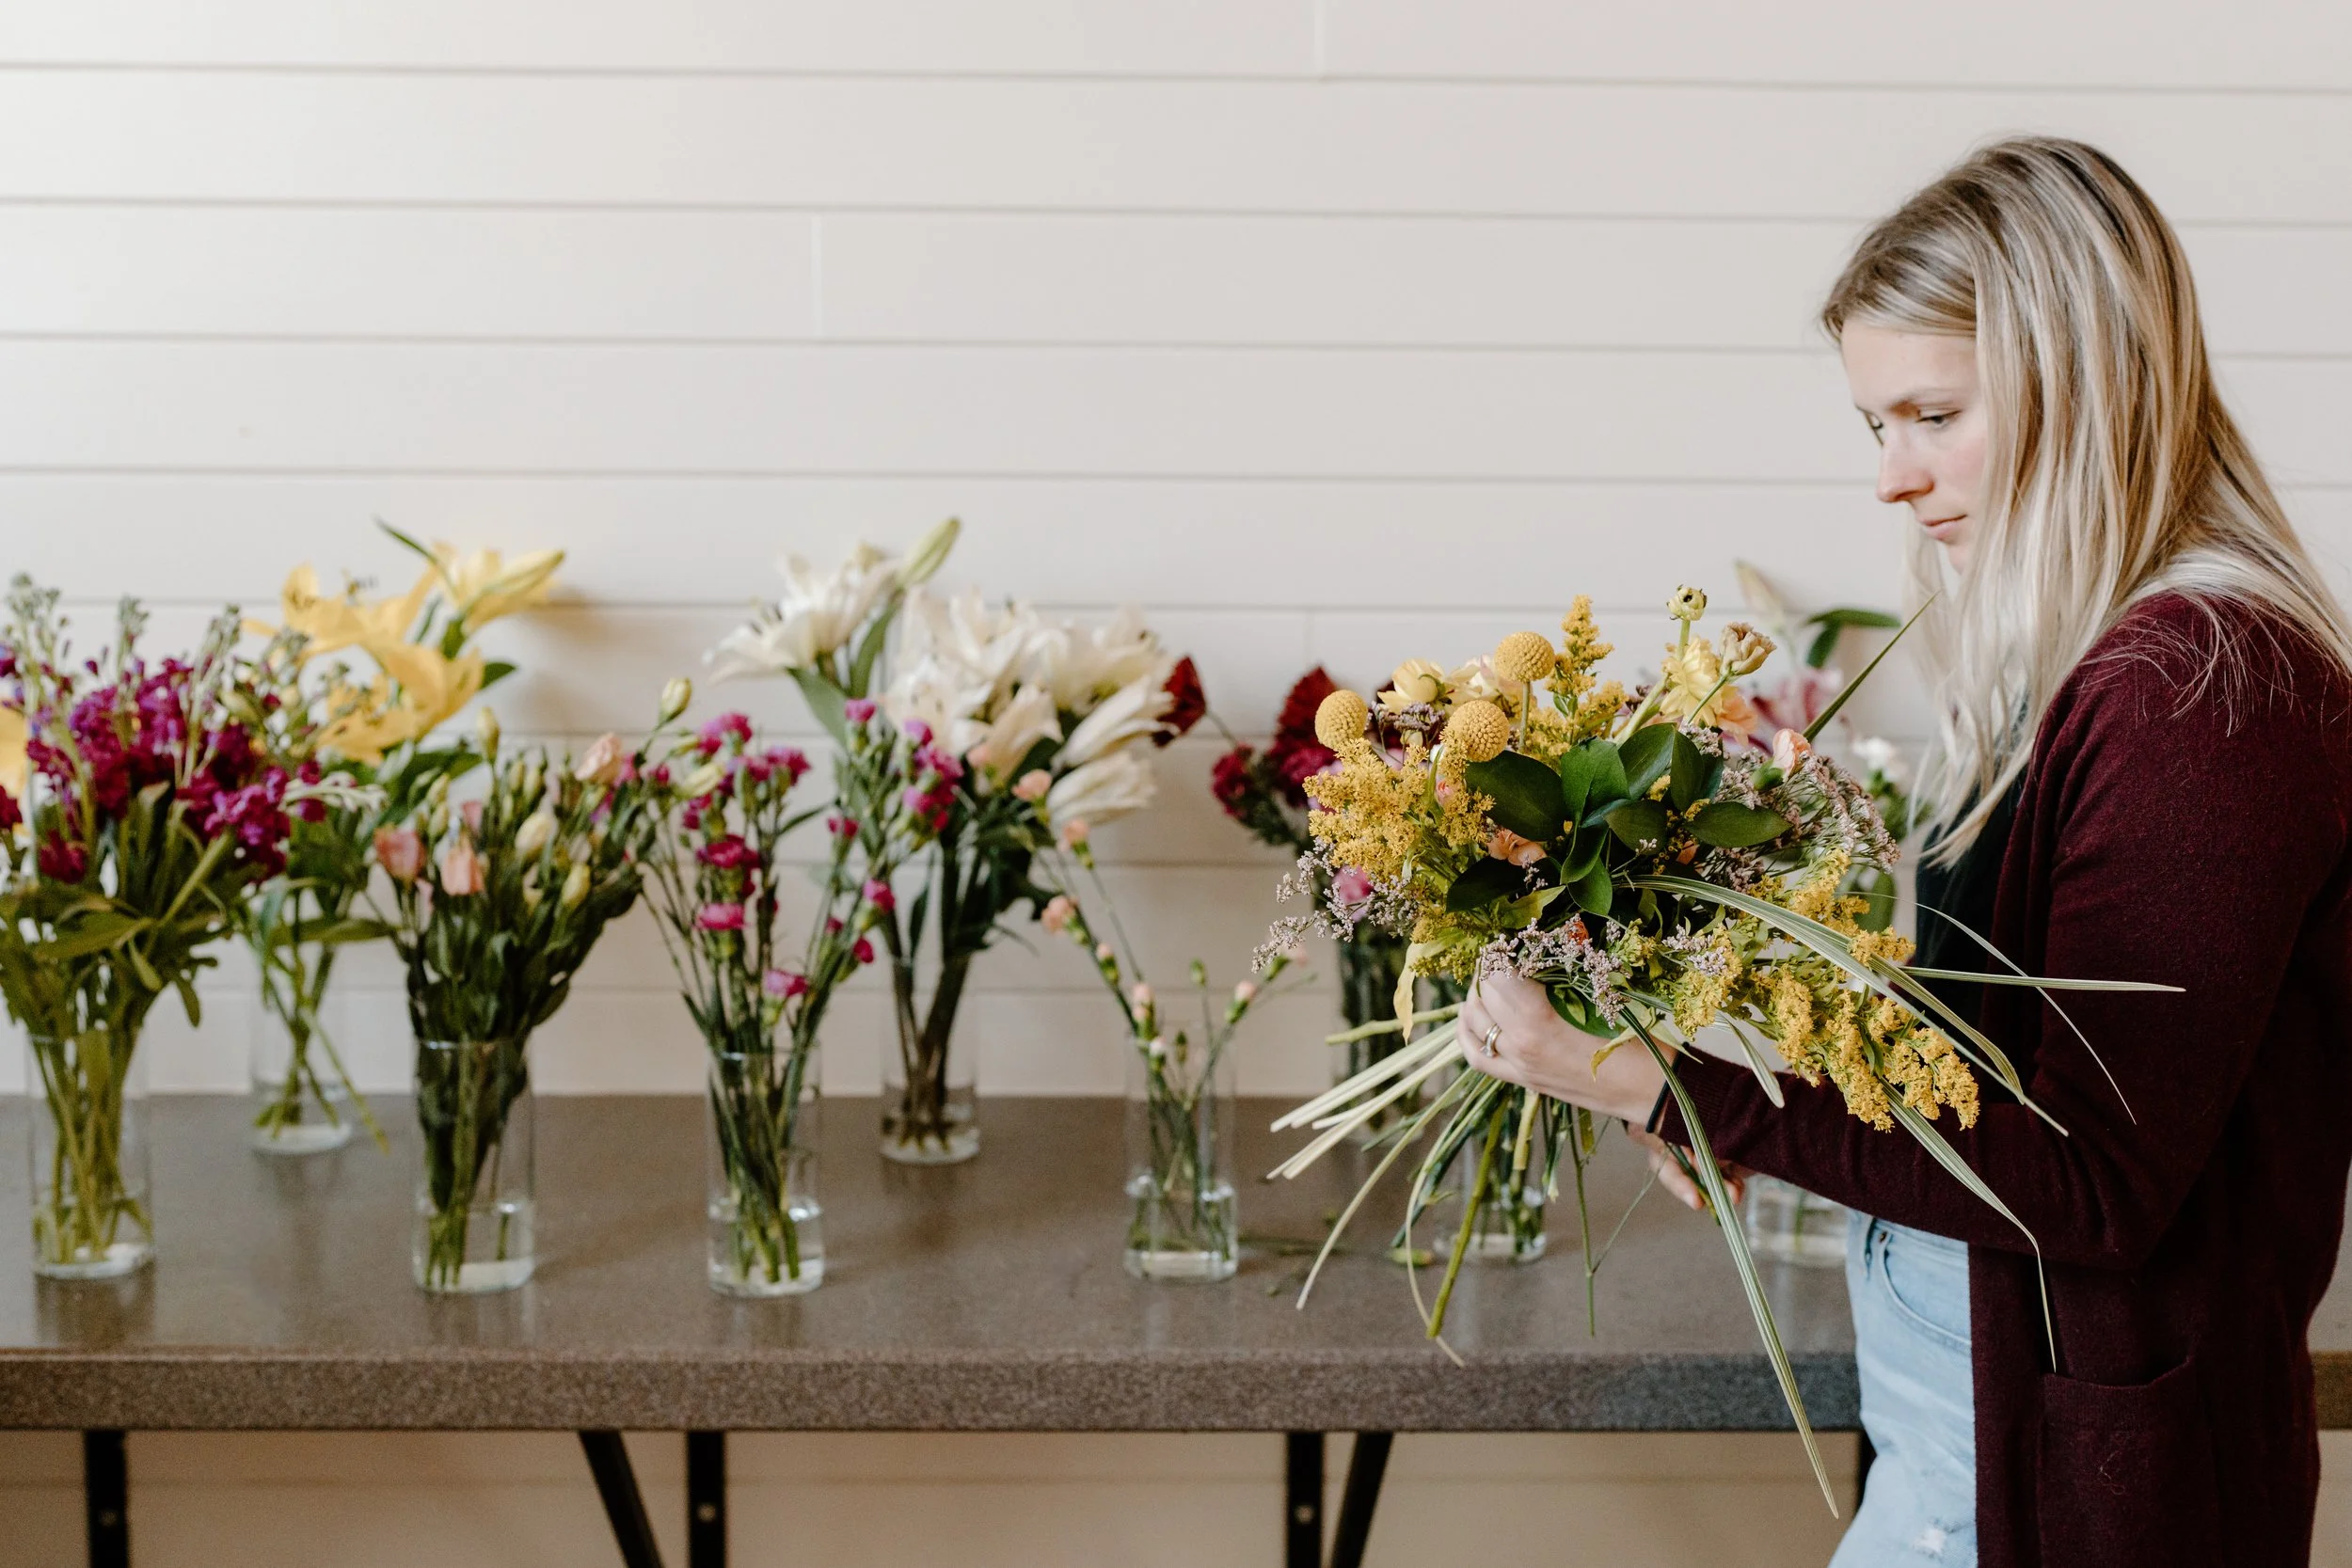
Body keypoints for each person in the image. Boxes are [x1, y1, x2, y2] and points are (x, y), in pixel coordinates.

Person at [1458, 136, 2352, 1568]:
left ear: (2089, 380)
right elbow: (1986, 1075)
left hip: (2068, 1488)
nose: (1894, 476)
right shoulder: (2097, 657)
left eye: (1932, 414)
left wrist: (1674, 1082)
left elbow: (2095, 1180)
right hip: (1968, 1430)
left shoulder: (2206, 690)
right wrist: (1724, 1083)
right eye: (1876, 426)